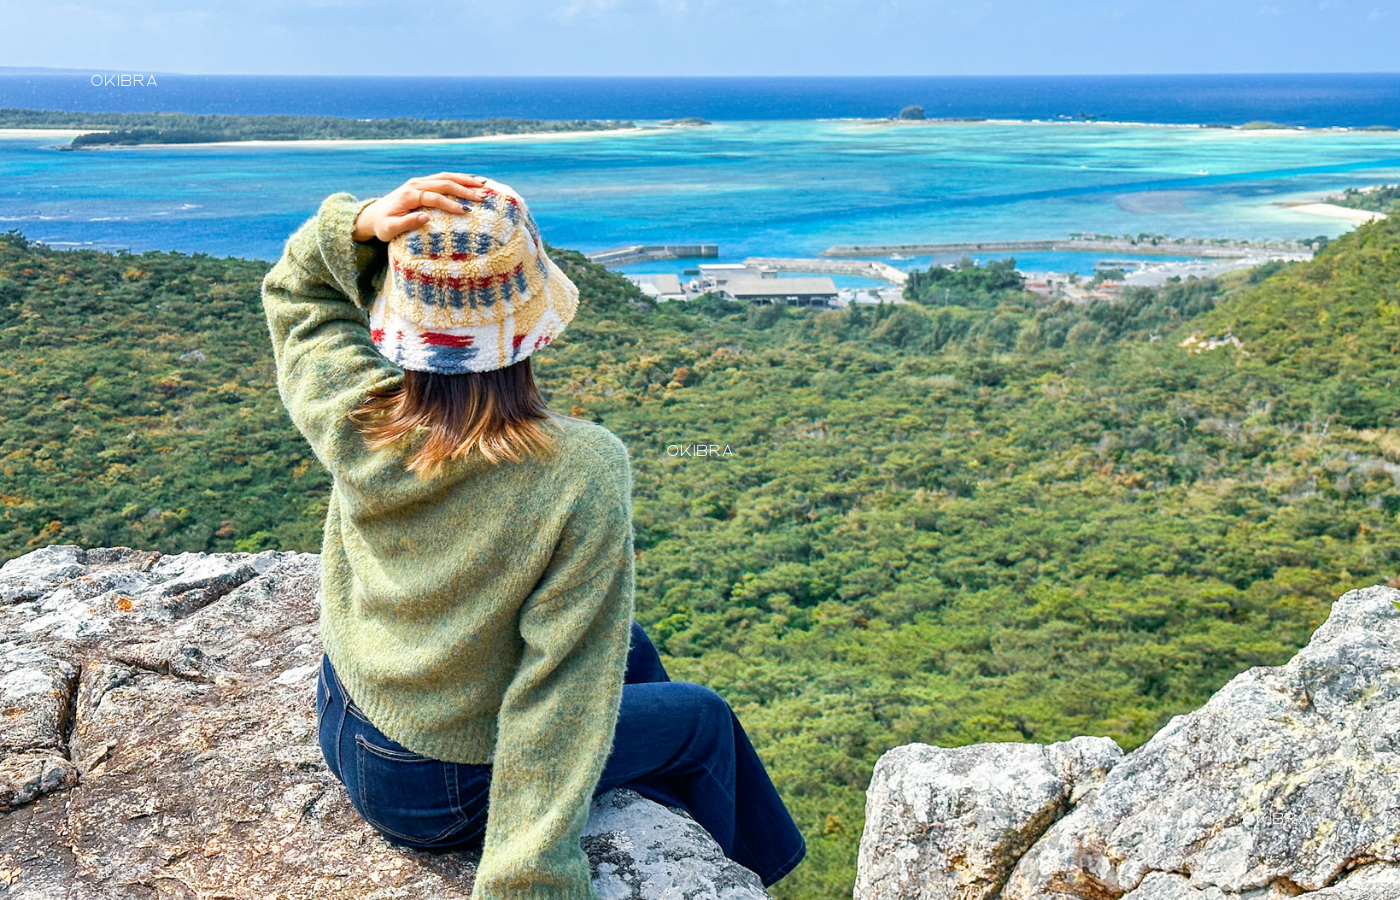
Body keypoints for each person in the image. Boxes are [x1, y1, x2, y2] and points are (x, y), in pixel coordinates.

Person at [260, 173, 805, 900]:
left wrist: (355, 223)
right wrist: (531, 878)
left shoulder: (357, 413)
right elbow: (558, 690)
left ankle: (661, 809)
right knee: (703, 720)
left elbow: (298, 302)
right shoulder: (579, 470)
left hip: (347, 720)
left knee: (630, 642)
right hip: (436, 790)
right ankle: (749, 881)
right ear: (532, 322)